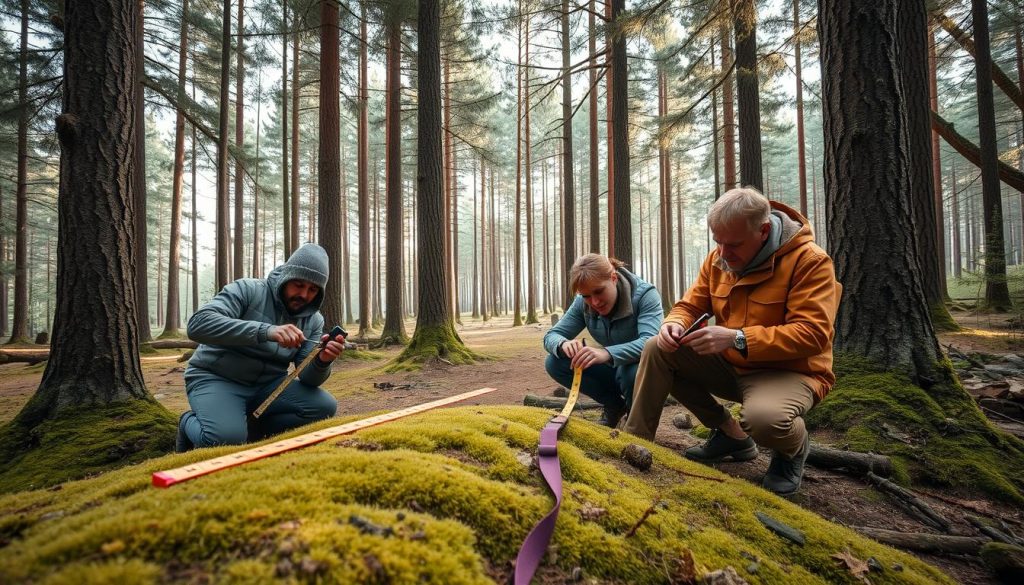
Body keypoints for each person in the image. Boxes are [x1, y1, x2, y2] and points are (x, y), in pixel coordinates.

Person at [624, 187, 841, 496]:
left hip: (791, 373)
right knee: (658, 349)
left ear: (763, 231)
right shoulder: (719, 258)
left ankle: (792, 448)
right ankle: (643, 441)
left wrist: (736, 338)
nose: (723, 254)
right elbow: (690, 306)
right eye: (718, 242)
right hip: (734, 365)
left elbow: (813, 334)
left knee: (765, 420)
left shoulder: (810, 262)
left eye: (734, 244)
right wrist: (673, 325)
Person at [176, 243, 345, 451]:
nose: (303, 295)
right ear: (286, 276)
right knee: (223, 440)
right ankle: (187, 423)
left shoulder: (314, 320)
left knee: (323, 407)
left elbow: (308, 378)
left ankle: (252, 431)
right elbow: (198, 324)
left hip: (268, 386)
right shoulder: (247, 290)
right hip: (217, 378)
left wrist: (322, 362)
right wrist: (266, 331)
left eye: (312, 290)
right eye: (298, 285)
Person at [542, 254, 663, 428]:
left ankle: (635, 419)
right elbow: (551, 336)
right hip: (612, 369)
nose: (595, 302)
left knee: (630, 373)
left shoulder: (645, 296)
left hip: (643, 371)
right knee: (555, 362)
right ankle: (614, 405)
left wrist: (606, 353)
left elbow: (649, 342)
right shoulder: (583, 302)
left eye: (599, 291)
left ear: (613, 278)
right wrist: (563, 344)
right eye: (586, 296)